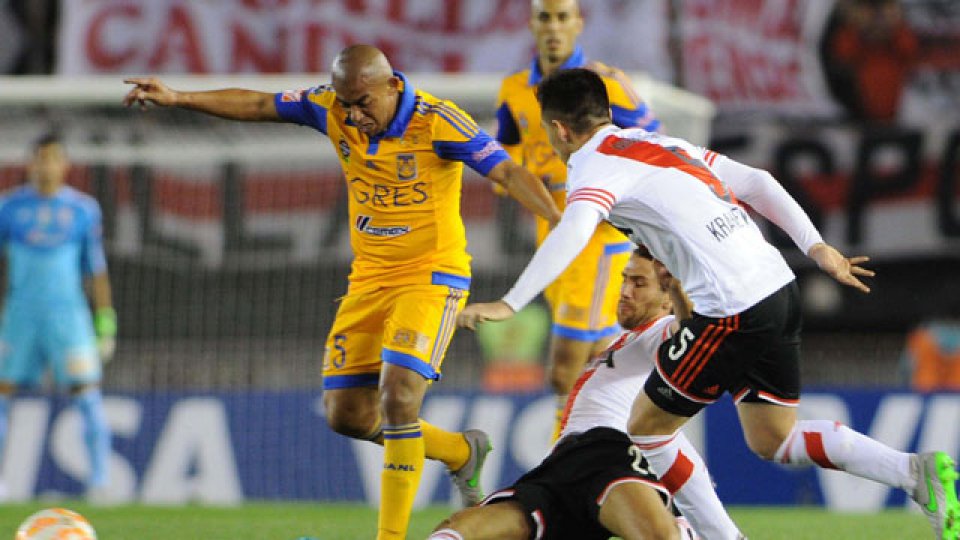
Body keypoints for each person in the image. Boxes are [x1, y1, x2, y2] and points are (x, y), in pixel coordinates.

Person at [458, 68, 960, 540]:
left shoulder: (592, 165)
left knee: (646, 429)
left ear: (559, 129)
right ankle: (912, 472)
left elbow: (572, 232)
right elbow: (759, 183)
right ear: (606, 112)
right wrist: (816, 247)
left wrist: (510, 302)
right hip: (778, 289)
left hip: (731, 308)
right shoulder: (660, 143)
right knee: (774, 439)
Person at [123, 45, 561, 540]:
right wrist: (179, 97)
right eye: (345, 104)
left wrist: (561, 221)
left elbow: (506, 171)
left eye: (362, 103)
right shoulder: (329, 106)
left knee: (399, 397)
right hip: (368, 279)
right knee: (348, 416)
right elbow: (261, 104)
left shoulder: (439, 121)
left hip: (431, 276)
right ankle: (460, 451)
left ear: (392, 85)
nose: (353, 115)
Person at [430, 248, 742, 540]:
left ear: (667, 300)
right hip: (563, 465)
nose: (625, 291)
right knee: (457, 529)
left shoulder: (660, 333)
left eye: (639, 284)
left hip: (609, 452)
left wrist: (679, 290)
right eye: (625, 280)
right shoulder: (624, 341)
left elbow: (692, 339)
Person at [495, 0, 661, 442]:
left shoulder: (606, 85)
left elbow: (653, 142)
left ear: (578, 23)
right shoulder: (514, 89)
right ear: (532, 24)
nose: (554, 27)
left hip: (598, 237)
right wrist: (515, 179)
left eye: (562, 17)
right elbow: (505, 150)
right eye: (545, 17)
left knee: (565, 369)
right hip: (552, 234)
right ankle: (615, 455)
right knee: (599, 362)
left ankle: (564, 464)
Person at [0, 133, 117, 499]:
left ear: (64, 164)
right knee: (2, 391)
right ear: (29, 163)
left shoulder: (83, 209)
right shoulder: (8, 208)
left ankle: (100, 483)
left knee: (86, 392)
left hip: (69, 317)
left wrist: (106, 323)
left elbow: (96, 270)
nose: (45, 165)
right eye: (39, 158)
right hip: (20, 315)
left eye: (52, 158)